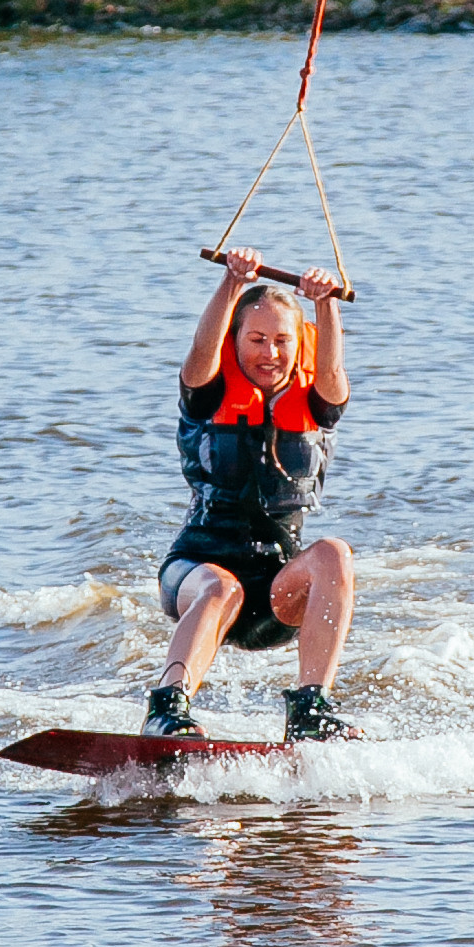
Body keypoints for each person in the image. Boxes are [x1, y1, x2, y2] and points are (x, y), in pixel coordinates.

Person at [143, 246, 360, 743]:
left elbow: (331, 376)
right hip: (197, 574)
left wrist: (325, 303)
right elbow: (200, 354)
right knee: (223, 587)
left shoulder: (318, 395)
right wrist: (233, 284)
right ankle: (167, 708)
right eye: (257, 339)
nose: (270, 353)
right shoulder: (209, 389)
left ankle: (310, 709)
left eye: (282, 340)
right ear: (235, 339)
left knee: (334, 555)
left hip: (276, 592)